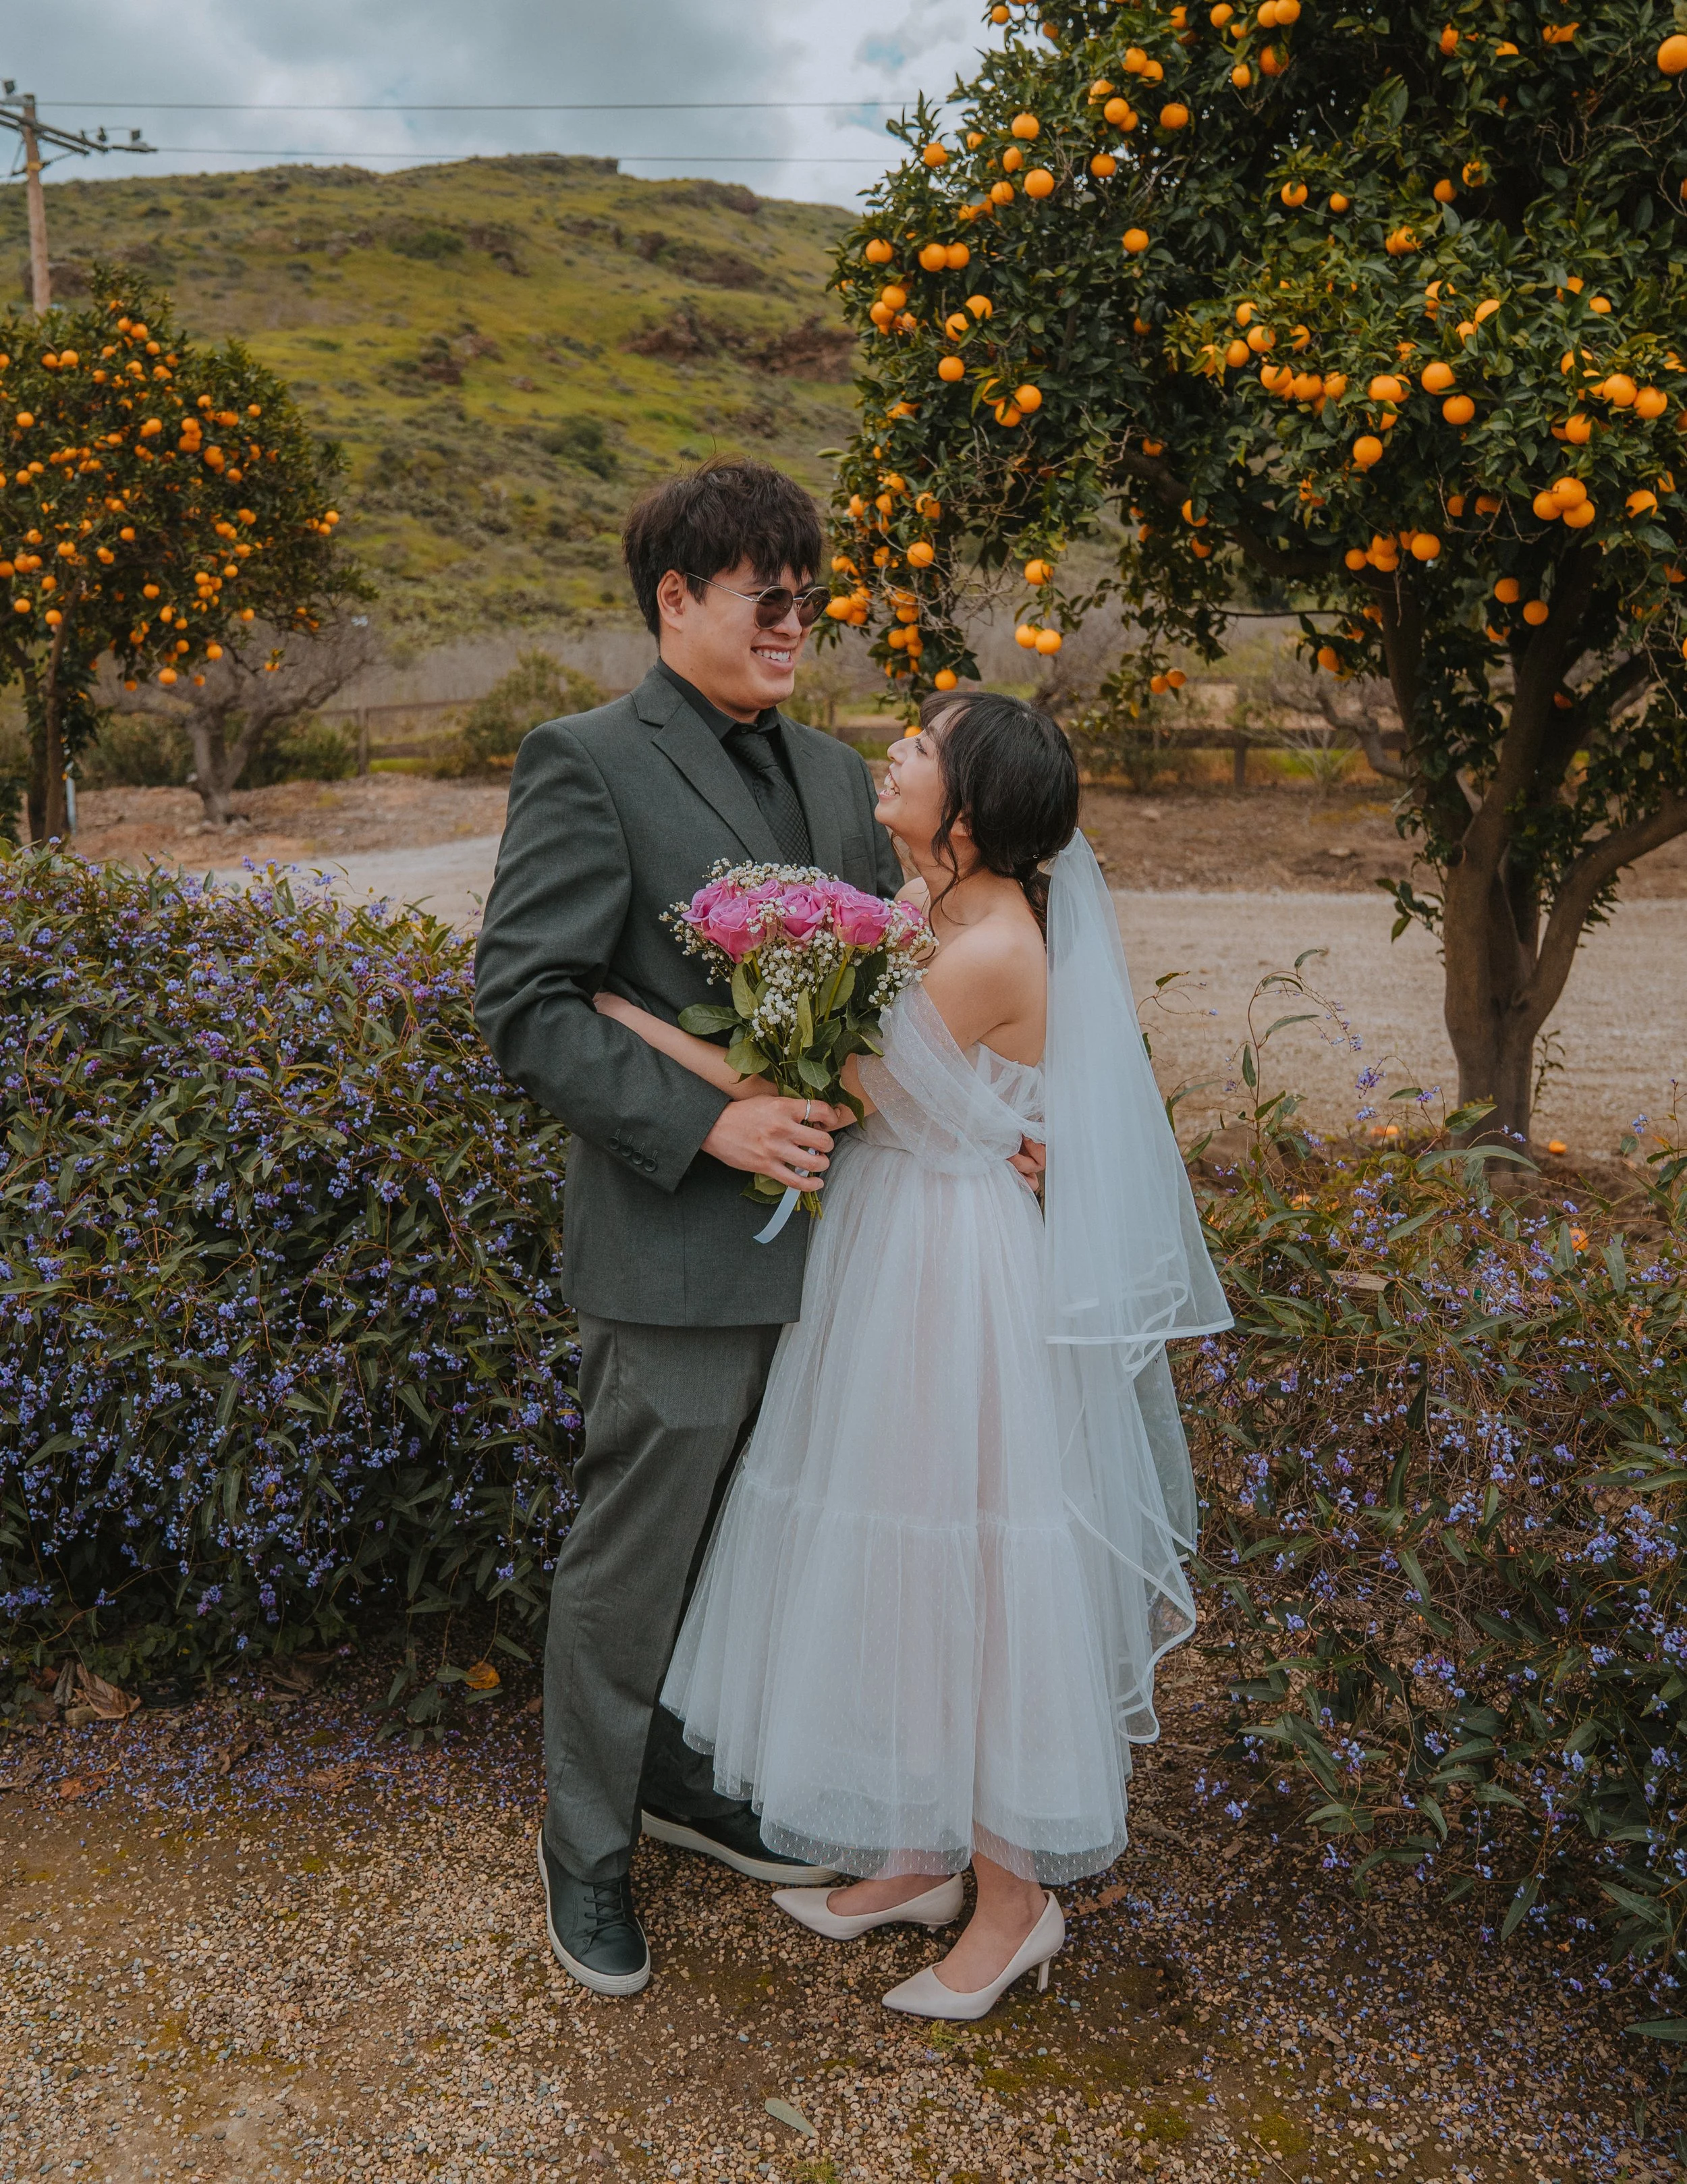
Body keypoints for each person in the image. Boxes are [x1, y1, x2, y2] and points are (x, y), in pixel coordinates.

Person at [594, 690, 1232, 2019]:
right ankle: (915, 1854)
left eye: (922, 746)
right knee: (894, 1552)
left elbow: (825, 1091)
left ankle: (1013, 1907)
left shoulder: (990, 941)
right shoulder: (932, 912)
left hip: (953, 1278)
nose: (893, 750)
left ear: (973, 803)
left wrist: (626, 1018)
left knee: (979, 1570)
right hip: (895, 1249)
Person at [474, 458, 906, 1996]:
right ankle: (583, 1845)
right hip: (670, 1246)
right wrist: (708, 1118)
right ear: (676, 598)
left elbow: (888, 994)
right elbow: (522, 1003)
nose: (796, 621)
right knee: (634, 1554)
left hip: (844, 1252)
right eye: (764, 595)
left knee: (754, 1542)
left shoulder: (845, 776)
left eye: (809, 595)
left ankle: (679, 1774)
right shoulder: (585, 759)